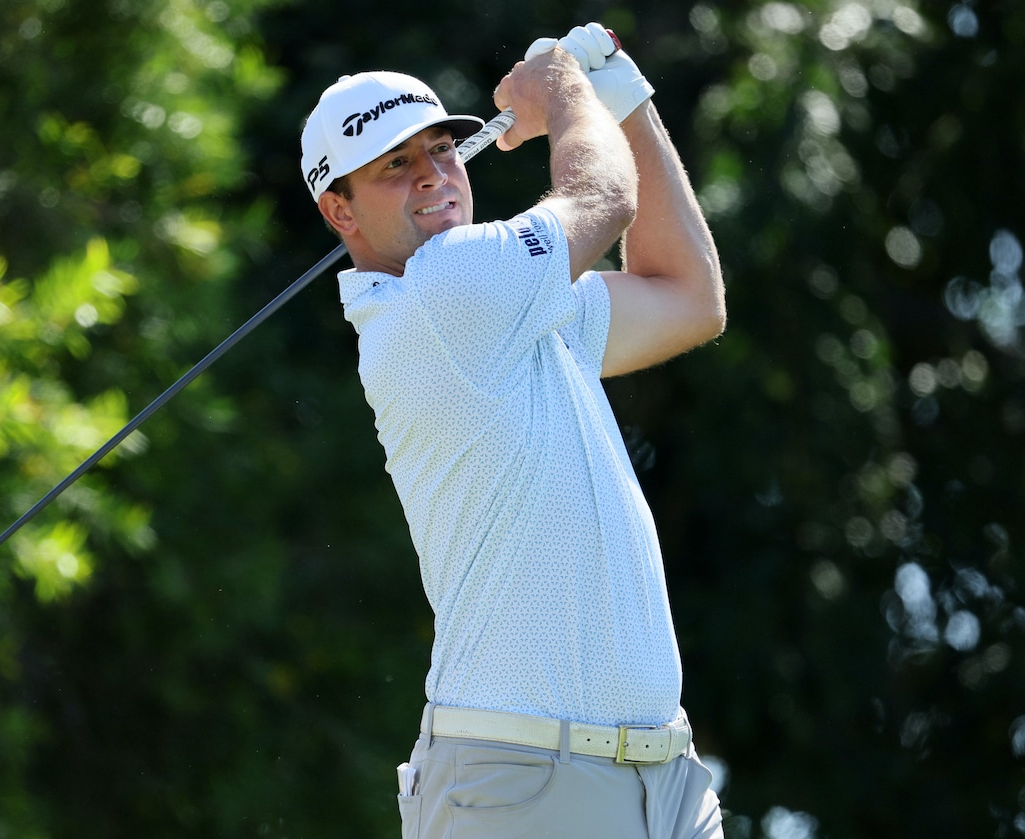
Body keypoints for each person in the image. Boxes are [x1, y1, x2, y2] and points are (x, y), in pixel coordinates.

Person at [300, 22, 726, 839]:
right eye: (396, 165)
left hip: (665, 785)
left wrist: (625, 98)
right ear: (338, 209)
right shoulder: (446, 291)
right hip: (523, 784)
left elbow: (688, 297)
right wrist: (564, 87)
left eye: (443, 150)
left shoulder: (515, 302)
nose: (435, 176)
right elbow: (605, 199)